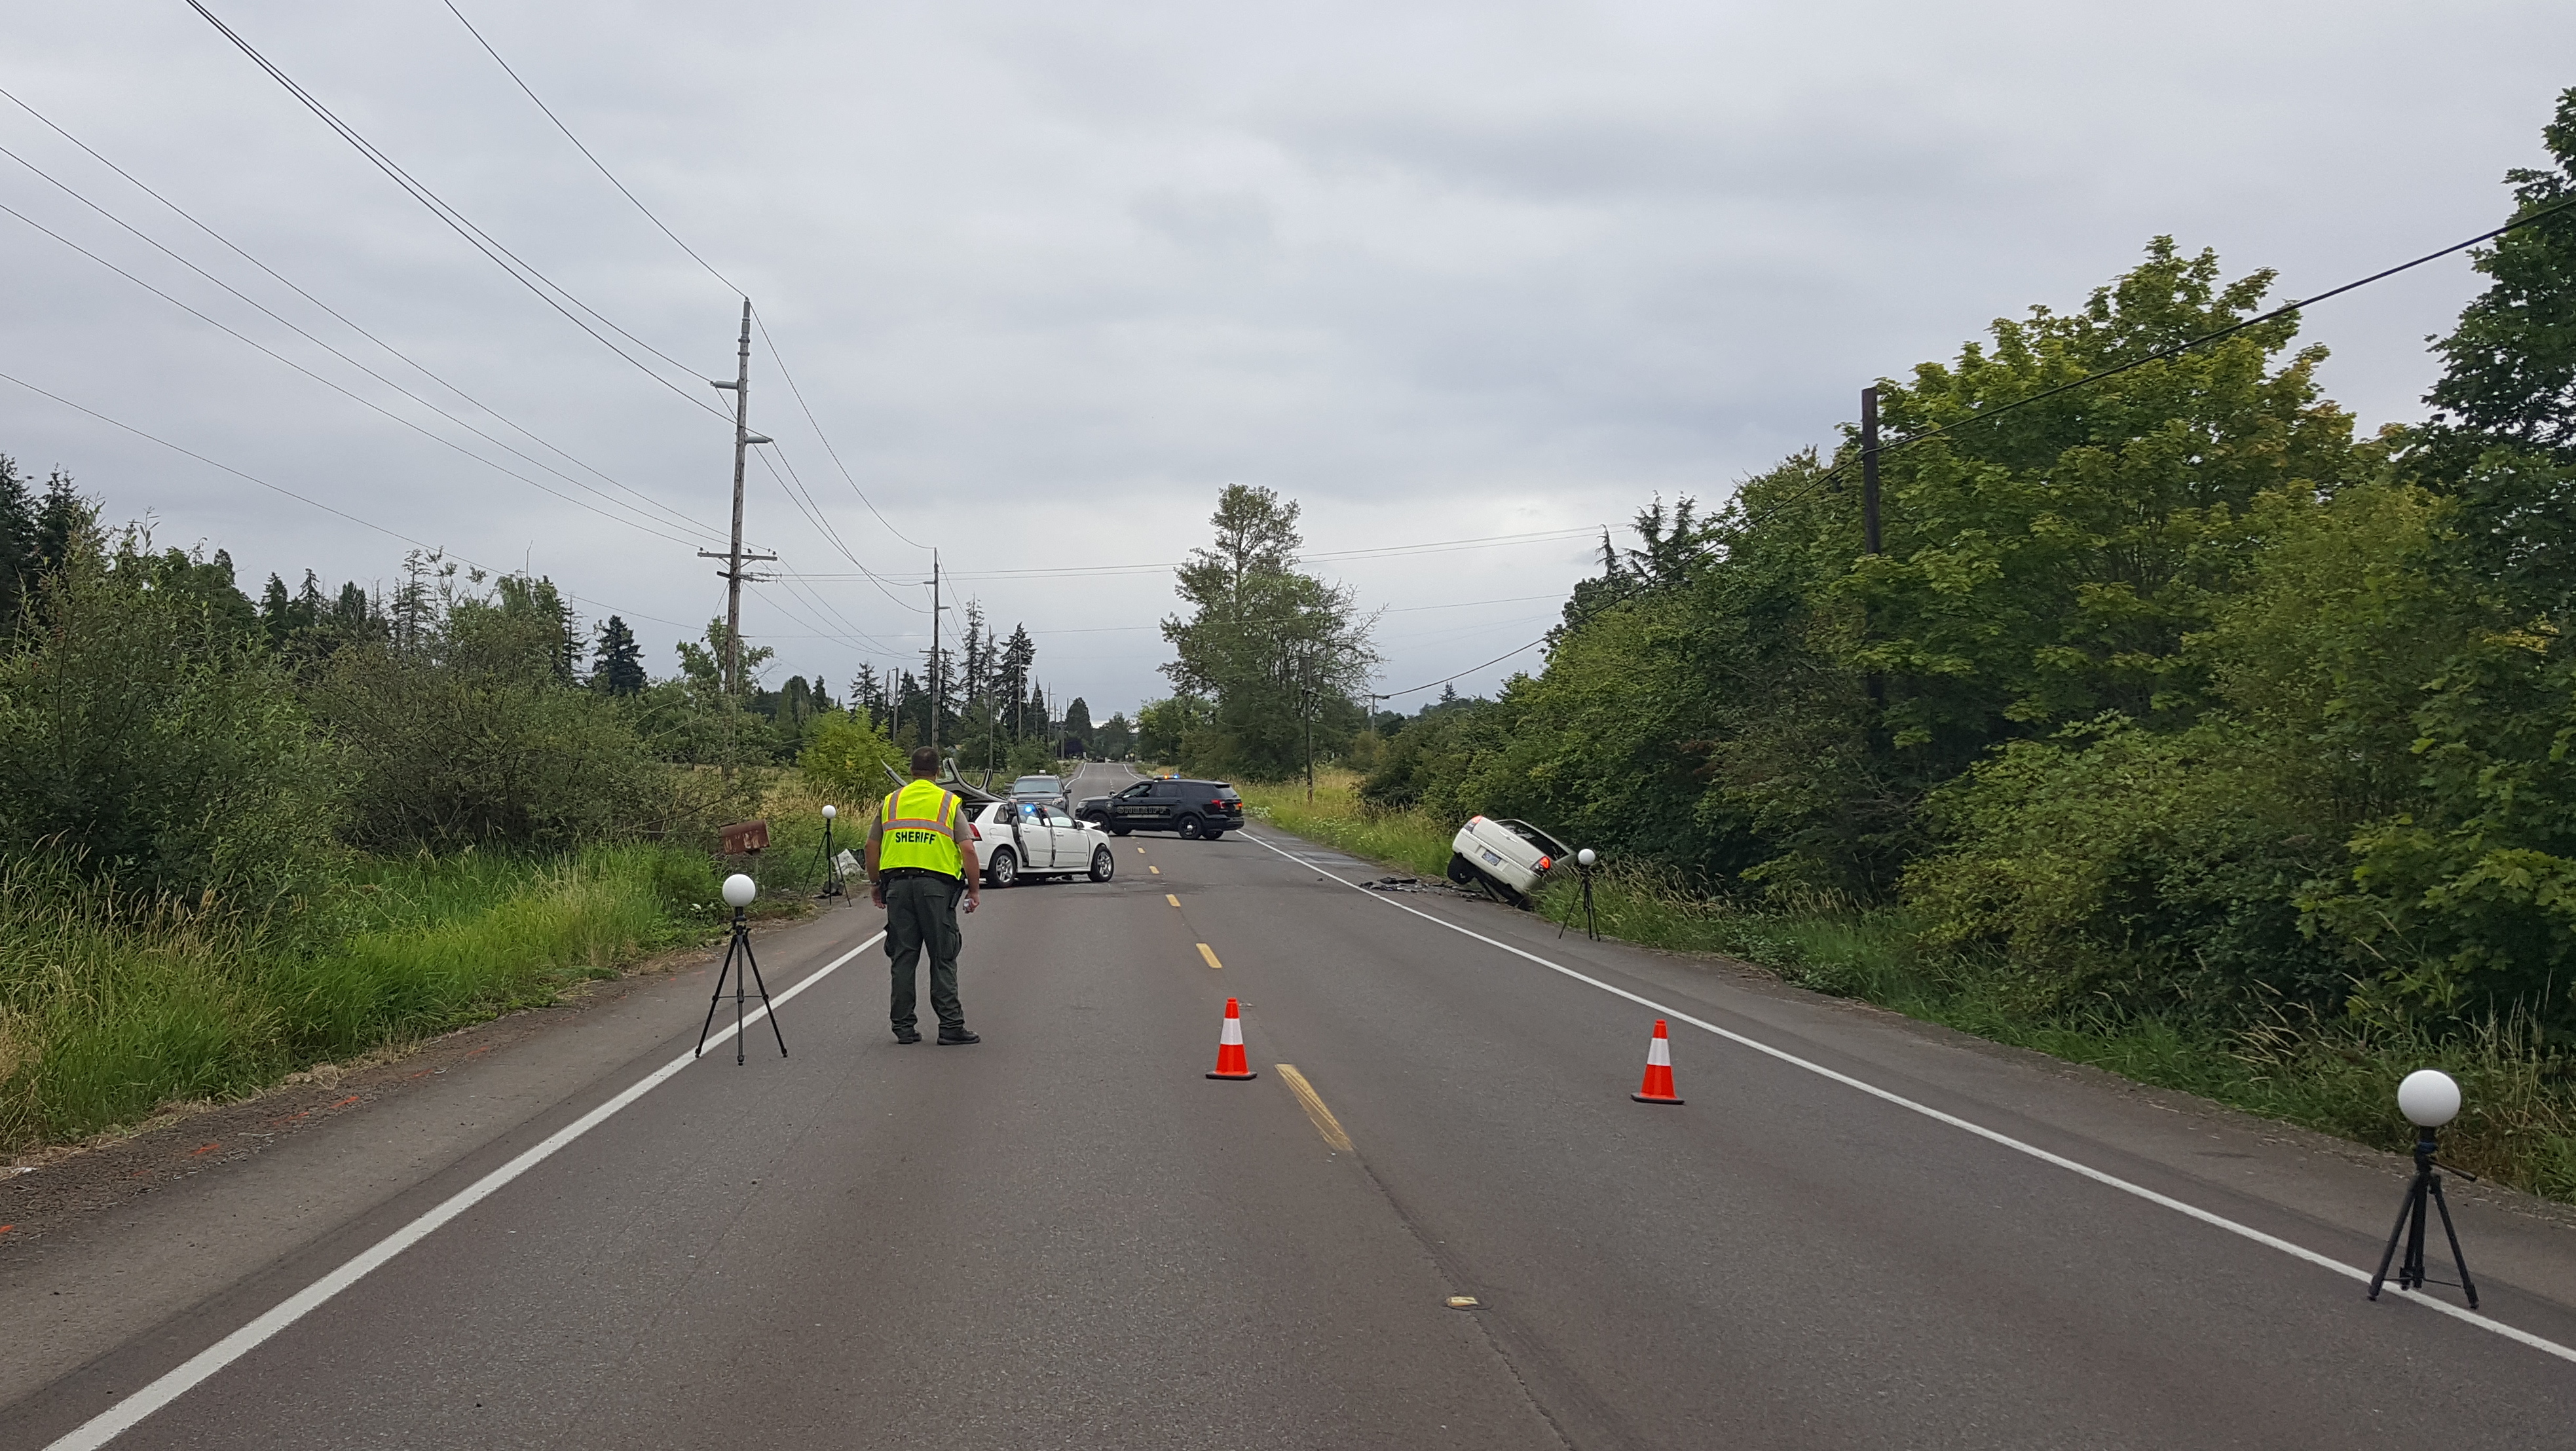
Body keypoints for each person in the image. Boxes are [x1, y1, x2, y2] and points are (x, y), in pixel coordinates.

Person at [865, 745, 982, 1045]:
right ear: (938, 773)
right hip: (936, 890)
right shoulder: (948, 802)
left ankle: (903, 1028)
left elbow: (871, 847)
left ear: (911, 769)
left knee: (903, 957)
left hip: (898, 888)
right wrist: (974, 888)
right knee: (943, 956)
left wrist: (876, 883)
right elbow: (967, 848)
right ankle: (950, 1027)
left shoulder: (891, 802)